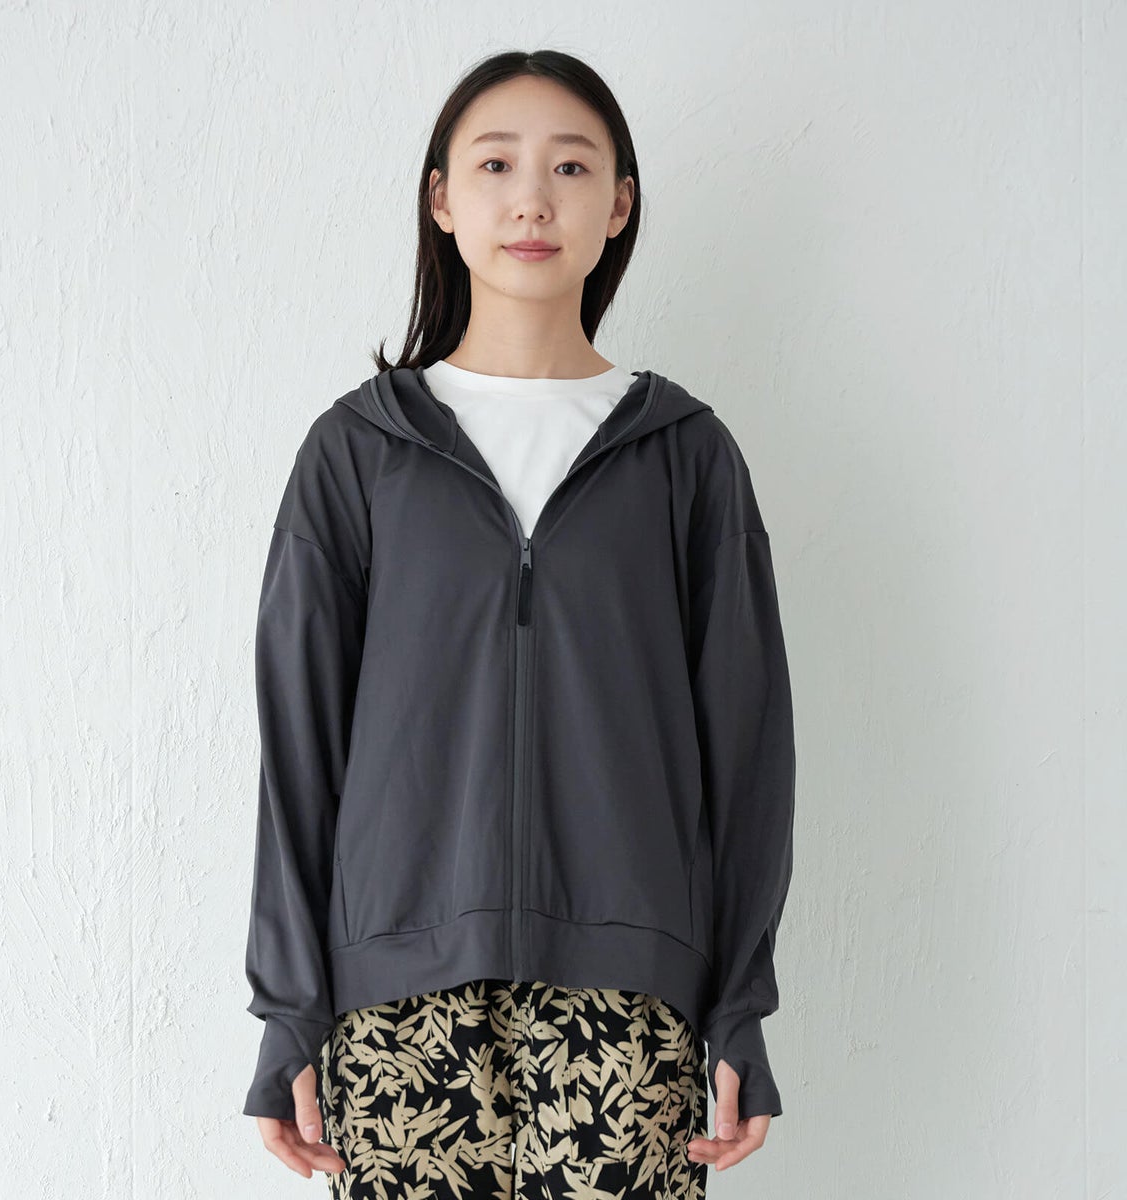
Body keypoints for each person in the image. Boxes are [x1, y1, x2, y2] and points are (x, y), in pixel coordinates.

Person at [242, 47, 796, 1199]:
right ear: (443, 199)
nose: (533, 198)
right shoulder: (359, 453)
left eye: (571, 167)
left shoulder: (685, 457)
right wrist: (291, 1009)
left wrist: (739, 1004)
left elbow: (747, 752)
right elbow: (300, 748)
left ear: (619, 204)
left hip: (630, 1005)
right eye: (496, 164)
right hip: (398, 1007)